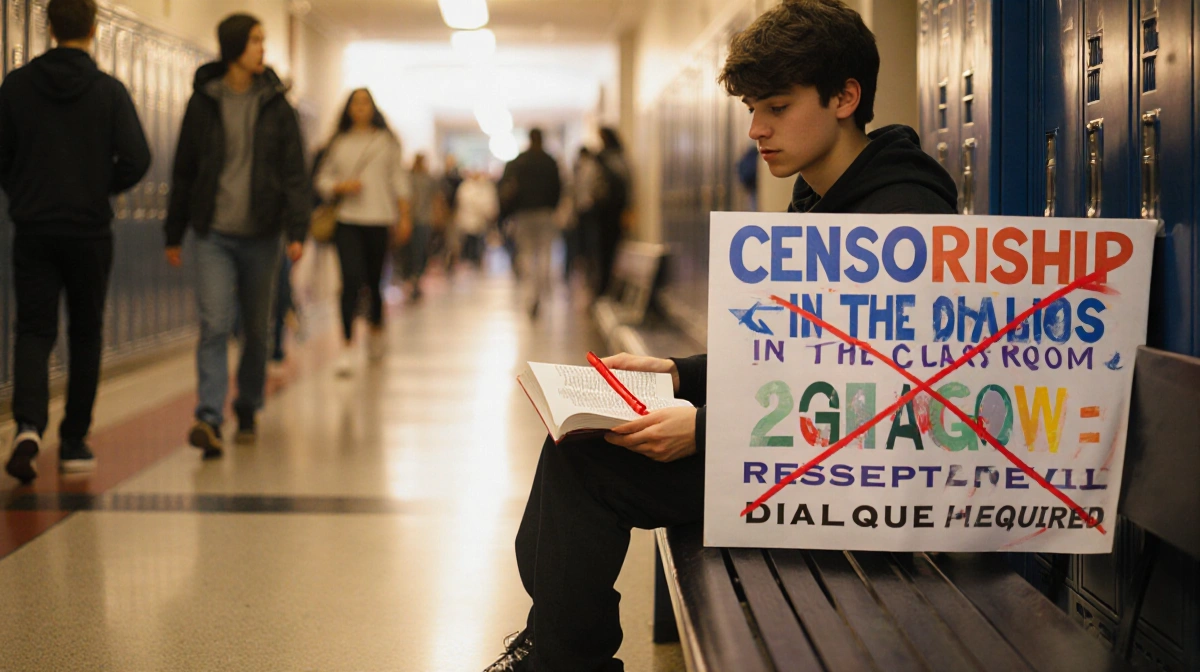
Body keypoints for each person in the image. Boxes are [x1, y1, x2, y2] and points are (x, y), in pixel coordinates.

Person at [483, 1, 958, 670]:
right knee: (580, 445)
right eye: (752, 109)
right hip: (793, 444)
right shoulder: (819, 199)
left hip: (853, 475)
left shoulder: (903, 217)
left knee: (587, 467)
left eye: (777, 107)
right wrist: (678, 373)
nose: (757, 130)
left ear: (845, 98)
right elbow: (796, 352)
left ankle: (560, 659)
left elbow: (886, 392)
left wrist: (708, 430)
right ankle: (557, 652)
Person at [1, 0, 150, 483]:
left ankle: (28, 426)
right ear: (94, 27)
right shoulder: (108, 91)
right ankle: (73, 441)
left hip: (34, 229)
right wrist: (99, 187)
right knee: (86, 332)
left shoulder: (17, 86)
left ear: (48, 27)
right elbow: (138, 157)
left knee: (33, 330)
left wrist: (24, 190)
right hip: (89, 232)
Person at [164, 13, 309, 459]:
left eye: (263, 40)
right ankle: (209, 416)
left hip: (262, 233)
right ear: (233, 47)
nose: (262, 48)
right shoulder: (204, 101)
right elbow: (184, 169)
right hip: (213, 232)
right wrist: (174, 231)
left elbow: (294, 172)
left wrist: (297, 229)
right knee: (214, 323)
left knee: (257, 329)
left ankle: (247, 404)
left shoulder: (277, 104)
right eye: (254, 40)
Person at [315, 88, 409, 375]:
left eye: (365, 102)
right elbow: (321, 178)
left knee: (374, 282)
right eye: (355, 103)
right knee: (350, 281)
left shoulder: (385, 142)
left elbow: (398, 180)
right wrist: (339, 186)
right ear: (348, 108)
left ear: (373, 108)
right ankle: (346, 345)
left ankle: (376, 329)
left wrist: (404, 216)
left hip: (379, 219)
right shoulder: (339, 142)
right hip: (347, 219)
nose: (360, 107)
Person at [499, 128, 562, 318]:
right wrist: (552, 208)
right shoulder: (549, 162)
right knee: (544, 253)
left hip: (524, 214)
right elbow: (558, 188)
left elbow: (506, 188)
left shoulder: (519, 162)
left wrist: (507, 213)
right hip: (544, 213)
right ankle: (539, 292)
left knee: (526, 253)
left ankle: (530, 294)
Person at [589, 127, 630, 298]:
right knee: (611, 249)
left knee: (605, 249)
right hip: (614, 210)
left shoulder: (602, 159)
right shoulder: (620, 158)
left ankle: (605, 286)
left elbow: (596, 186)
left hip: (605, 211)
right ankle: (607, 285)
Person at [399, 153, 440, 301]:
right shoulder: (407, 178)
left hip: (424, 220)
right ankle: (410, 278)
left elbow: (435, 198)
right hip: (410, 220)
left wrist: (436, 215)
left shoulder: (429, 179)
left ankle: (416, 278)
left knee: (421, 250)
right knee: (409, 251)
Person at [455, 170, 499, 268]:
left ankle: (474, 261)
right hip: (469, 222)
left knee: (477, 244)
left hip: (479, 222)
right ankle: (470, 262)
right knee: (470, 244)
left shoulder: (484, 188)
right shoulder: (467, 187)